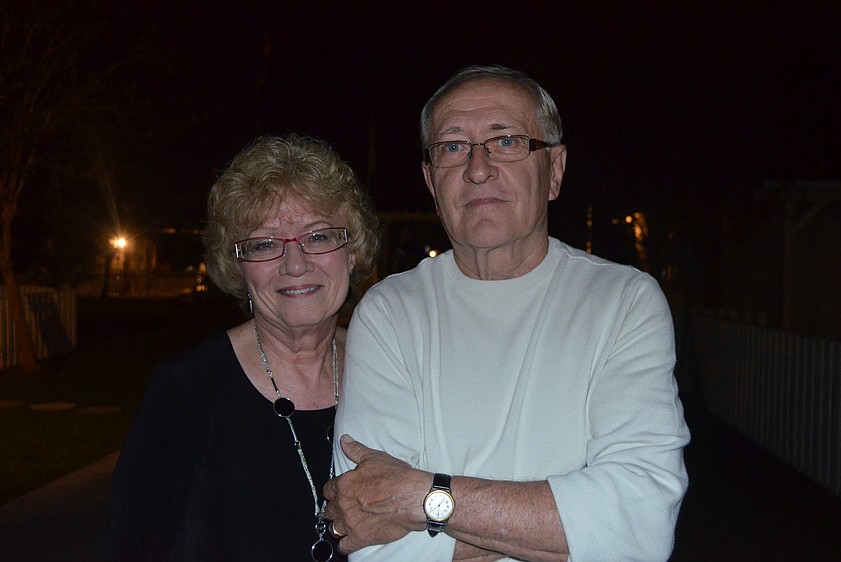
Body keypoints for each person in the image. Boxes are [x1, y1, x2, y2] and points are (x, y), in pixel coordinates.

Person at [323, 65, 690, 561]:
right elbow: (371, 540)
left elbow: (641, 525)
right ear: (431, 181)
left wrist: (419, 497)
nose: (478, 169)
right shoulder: (389, 313)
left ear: (554, 171)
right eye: (453, 147)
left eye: (507, 142)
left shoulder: (623, 302)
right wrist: (564, 527)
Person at [107, 134, 379, 561]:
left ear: (352, 253)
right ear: (237, 267)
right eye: (265, 244)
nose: (295, 264)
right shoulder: (187, 390)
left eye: (319, 236)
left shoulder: (390, 369)